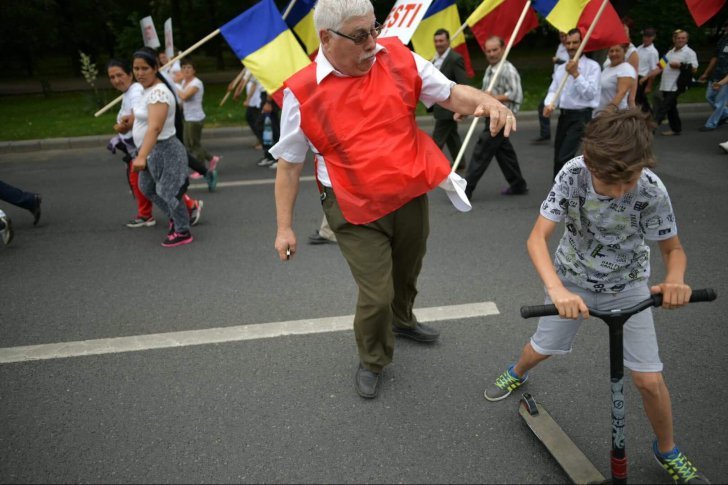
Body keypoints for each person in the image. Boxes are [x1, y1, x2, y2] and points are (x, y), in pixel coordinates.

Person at [271, 0, 515, 399]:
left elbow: (453, 94)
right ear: (326, 38)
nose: (372, 42)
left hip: (407, 189)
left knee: (408, 267)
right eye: (361, 34)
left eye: (375, 28)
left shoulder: (398, 58)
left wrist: (486, 102)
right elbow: (288, 165)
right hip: (351, 205)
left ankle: (402, 320)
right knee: (376, 293)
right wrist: (284, 227)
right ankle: (372, 359)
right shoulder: (302, 92)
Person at [483, 109, 710, 485]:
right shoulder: (574, 174)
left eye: (629, 180)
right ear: (590, 162)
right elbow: (537, 238)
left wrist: (676, 281)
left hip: (629, 285)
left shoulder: (651, 188)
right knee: (542, 348)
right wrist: (556, 290)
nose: (620, 191)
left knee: (649, 381)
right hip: (572, 281)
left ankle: (667, 449)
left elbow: (673, 251)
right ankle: (517, 373)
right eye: (609, 181)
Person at [130, 49, 193, 247]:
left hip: (165, 149)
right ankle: (176, 216)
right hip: (152, 151)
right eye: (136, 68)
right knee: (146, 187)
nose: (140, 73)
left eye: (145, 68)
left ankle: (183, 230)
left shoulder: (159, 93)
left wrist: (141, 156)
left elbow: (155, 127)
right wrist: (128, 122)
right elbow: (144, 117)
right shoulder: (145, 89)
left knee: (167, 191)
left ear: (156, 68)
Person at [464, 36, 527, 199]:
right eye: (488, 51)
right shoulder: (490, 70)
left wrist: (494, 98)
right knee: (504, 152)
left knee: (482, 149)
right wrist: (465, 109)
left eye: (495, 50)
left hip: (502, 117)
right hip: (491, 116)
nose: (491, 54)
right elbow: (484, 96)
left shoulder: (508, 69)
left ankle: (466, 189)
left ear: (503, 49)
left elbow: (515, 94)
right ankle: (518, 184)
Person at [543, 28, 601, 178]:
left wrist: (576, 74)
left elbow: (590, 95)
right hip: (564, 116)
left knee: (565, 157)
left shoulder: (592, 67)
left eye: (575, 42)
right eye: (568, 43)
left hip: (581, 116)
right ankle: (557, 192)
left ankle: (565, 194)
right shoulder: (561, 68)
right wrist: (549, 104)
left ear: (582, 43)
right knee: (558, 157)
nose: (571, 46)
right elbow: (553, 90)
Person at [106, 59, 155, 228]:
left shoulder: (135, 91)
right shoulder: (129, 92)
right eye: (112, 77)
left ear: (129, 74)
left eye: (119, 75)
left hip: (142, 148)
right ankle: (145, 214)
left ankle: (189, 206)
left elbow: (137, 115)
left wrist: (123, 126)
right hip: (136, 148)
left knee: (155, 182)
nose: (116, 80)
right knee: (142, 182)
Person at [430, 28, 469, 168]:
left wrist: (462, 105)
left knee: (437, 139)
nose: (438, 44)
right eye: (436, 41)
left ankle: (429, 165)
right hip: (439, 105)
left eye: (441, 41)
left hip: (449, 107)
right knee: (452, 136)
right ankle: (461, 163)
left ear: (448, 41)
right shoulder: (435, 59)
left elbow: (462, 83)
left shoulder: (454, 58)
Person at [177, 58, 221, 179]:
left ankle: (202, 168)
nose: (186, 70)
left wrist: (173, 85)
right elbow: (182, 102)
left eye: (189, 68)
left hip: (195, 118)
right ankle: (211, 158)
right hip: (187, 117)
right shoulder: (184, 83)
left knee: (194, 144)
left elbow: (185, 96)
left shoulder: (196, 83)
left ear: (194, 70)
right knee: (188, 144)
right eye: (184, 67)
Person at [650, 29, 699, 136]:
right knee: (671, 107)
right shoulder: (670, 52)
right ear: (674, 39)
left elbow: (694, 69)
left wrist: (680, 65)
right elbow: (660, 66)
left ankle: (651, 129)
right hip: (666, 85)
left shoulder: (689, 53)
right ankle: (676, 129)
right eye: (678, 38)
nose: (680, 40)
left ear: (687, 39)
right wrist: (646, 77)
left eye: (683, 38)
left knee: (664, 106)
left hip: (677, 85)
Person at [533, 31, 569, 144]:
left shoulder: (569, 48)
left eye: (564, 36)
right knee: (544, 105)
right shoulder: (560, 46)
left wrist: (558, 61)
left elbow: (571, 63)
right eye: (561, 36)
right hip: (556, 81)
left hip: (566, 83)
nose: (563, 39)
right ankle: (546, 133)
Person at [697, 20, 728, 132]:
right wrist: (706, 73)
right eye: (726, 26)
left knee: (720, 102)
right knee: (709, 97)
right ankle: (725, 114)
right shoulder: (723, 40)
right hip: (716, 74)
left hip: (726, 79)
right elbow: (715, 58)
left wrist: (721, 83)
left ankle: (711, 124)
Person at [596, 43, 637, 114]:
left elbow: (621, 93)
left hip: (614, 116)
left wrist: (608, 110)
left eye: (617, 51)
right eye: (611, 51)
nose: (614, 54)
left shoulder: (626, 69)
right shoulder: (607, 68)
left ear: (624, 52)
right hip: (599, 113)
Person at [636, 28, 659, 114]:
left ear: (653, 37)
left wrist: (649, 86)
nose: (646, 38)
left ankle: (649, 114)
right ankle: (646, 115)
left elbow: (654, 71)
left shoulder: (653, 52)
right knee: (639, 99)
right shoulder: (639, 48)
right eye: (645, 36)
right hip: (636, 77)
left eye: (649, 37)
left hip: (643, 78)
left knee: (639, 99)